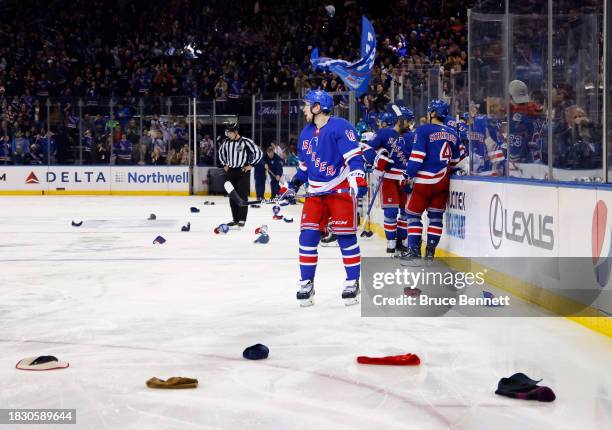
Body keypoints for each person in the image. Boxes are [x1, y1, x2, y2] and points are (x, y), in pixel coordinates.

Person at [279, 90, 367, 306]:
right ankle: (307, 283)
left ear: (318, 107)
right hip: (316, 194)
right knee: (307, 238)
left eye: (307, 105)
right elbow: (303, 168)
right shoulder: (306, 133)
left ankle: (352, 282)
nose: (304, 109)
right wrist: (293, 186)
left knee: (346, 238)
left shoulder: (341, 126)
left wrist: (358, 177)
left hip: (340, 191)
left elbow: (354, 157)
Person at [401, 99, 461, 261]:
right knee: (435, 217)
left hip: (424, 182)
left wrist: (407, 175)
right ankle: (430, 251)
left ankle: (414, 251)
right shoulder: (454, 134)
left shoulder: (423, 130)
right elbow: (456, 161)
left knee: (413, 215)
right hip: (443, 183)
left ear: (433, 113)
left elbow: (417, 157)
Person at [362, 104, 414, 256]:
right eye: (408, 121)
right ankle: (391, 243)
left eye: (411, 122)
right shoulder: (384, 133)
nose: (410, 125)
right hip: (389, 179)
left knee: (405, 212)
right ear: (400, 120)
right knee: (391, 212)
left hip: (406, 179)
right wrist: (378, 159)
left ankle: (402, 242)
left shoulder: (414, 137)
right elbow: (366, 150)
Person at [218, 122, 262, 228]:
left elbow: (258, 152)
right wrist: (224, 164)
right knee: (232, 196)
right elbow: (220, 153)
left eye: (230, 132)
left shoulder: (246, 141)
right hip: (231, 172)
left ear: (236, 132)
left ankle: (242, 220)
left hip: (243, 172)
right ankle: (235, 219)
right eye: (227, 132)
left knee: (242, 196)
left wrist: (251, 165)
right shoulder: (226, 142)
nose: (228, 134)